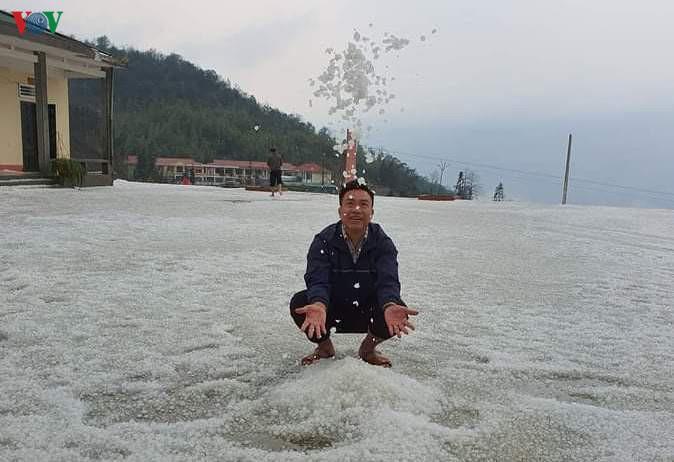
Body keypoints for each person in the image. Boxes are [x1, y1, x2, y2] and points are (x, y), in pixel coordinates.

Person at [289, 180, 418, 368]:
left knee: (395, 308)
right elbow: (317, 279)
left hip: (367, 308)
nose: (356, 209)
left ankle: (368, 349)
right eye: (350, 204)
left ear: (371, 212)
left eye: (363, 204)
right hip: (331, 307)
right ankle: (324, 348)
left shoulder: (383, 243)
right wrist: (318, 304)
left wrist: (390, 304)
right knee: (301, 303)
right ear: (340, 210)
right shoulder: (323, 241)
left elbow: (388, 281)